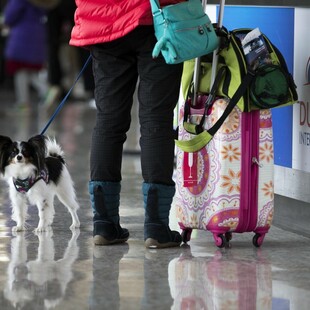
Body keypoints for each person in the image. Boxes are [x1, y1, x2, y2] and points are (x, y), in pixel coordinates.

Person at [70, 0, 184, 249]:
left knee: (108, 120)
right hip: (155, 19)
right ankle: (156, 227)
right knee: (156, 120)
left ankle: (104, 225)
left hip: (101, 22)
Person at [3, 0, 55, 108]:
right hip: (37, 34)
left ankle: (42, 91)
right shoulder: (40, 2)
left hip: (22, 36)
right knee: (26, 70)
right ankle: (26, 101)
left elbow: (9, 16)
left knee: (20, 69)